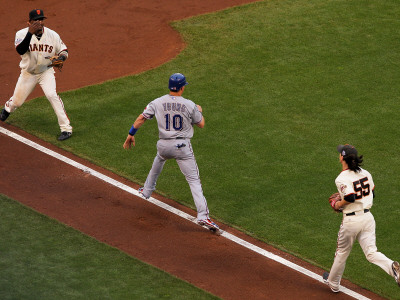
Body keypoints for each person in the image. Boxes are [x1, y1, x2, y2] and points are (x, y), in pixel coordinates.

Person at [123, 73, 219, 231]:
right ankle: (203, 216)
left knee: (159, 159)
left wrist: (131, 134)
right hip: (182, 147)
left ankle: (147, 190)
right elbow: (201, 124)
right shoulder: (189, 104)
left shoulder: (157, 102)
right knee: (194, 181)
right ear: (182, 88)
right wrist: (199, 111)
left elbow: (141, 118)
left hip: (163, 145)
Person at [323, 144, 399, 292]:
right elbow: (372, 190)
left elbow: (350, 197)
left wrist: (339, 204)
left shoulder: (341, 178)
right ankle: (393, 267)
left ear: (342, 158)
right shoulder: (365, 172)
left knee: (342, 252)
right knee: (371, 252)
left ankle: (333, 284)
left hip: (352, 221)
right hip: (368, 218)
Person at [0, 9, 73, 141]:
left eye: (41, 20)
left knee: (52, 95)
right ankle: (7, 109)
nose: (39, 23)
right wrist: (30, 33)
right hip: (28, 73)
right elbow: (20, 50)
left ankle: (66, 129)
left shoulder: (52, 35)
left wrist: (61, 58)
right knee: (17, 101)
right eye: (36, 20)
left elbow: (64, 50)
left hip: (46, 71)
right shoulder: (21, 34)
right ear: (29, 22)